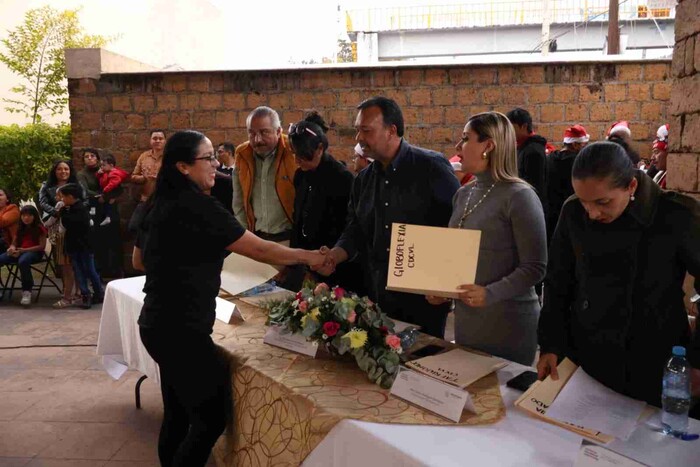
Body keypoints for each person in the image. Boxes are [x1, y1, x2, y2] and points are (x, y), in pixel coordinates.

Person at [132, 130, 326, 467]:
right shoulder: (198, 207)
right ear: (182, 167)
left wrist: (185, 259)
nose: (217, 165)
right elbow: (259, 248)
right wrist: (310, 258)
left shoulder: (159, 202)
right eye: (207, 159)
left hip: (155, 324)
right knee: (209, 418)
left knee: (178, 414)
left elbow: (139, 261)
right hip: (182, 331)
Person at [537, 141, 700, 406]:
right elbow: (557, 283)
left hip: (653, 358)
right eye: (584, 201)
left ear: (632, 186)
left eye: (603, 202)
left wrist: (697, 360)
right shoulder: (572, 212)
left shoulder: (675, 215)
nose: (592, 213)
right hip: (588, 352)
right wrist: (550, 343)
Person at [317, 96, 460, 338]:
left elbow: (455, 228)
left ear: (392, 130)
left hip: (424, 300)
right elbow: (355, 230)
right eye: (357, 130)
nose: (359, 138)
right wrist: (334, 255)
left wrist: (445, 285)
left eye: (366, 130)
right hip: (377, 296)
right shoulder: (363, 180)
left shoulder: (431, 168)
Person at [426, 112, 547, 365]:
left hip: (509, 323)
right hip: (469, 322)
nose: (458, 147)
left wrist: (489, 293)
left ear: (488, 146)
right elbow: (457, 257)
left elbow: (535, 267)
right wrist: (443, 289)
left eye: (465, 138)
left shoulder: (520, 196)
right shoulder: (463, 194)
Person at [285, 111, 357, 292]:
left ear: (319, 149)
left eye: (302, 156)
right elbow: (299, 219)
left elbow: (348, 228)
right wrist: (294, 262)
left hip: (333, 266)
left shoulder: (343, 179)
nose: (296, 160)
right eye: (294, 154)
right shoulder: (301, 175)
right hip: (305, 264)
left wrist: (326, 260)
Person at [232, 107, 296, 242]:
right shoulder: (242, 154)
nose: (257, 139)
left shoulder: (293, 151)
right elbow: (238, 203)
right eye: (251, 133)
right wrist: (246, 238)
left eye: (264, 132)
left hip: (290, 238)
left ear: (278, 131)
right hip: (257, 239)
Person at [39, 160, 86, 308]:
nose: (63, 171)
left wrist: (70, 210)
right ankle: (67, 295)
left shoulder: (77, 186)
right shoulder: (46, 186)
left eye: (66, 169)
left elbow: (84, 202)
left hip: (76, 228)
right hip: (58, 229)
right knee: (65, 264)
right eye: (59, 169)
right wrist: (57, 212)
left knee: (78, 262)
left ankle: (80, 294)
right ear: (54, 171)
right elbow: (42, 202)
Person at [56, 183, 104, 309]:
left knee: (88, 270)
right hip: (74, 246)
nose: (62, 200)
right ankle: (86, 294)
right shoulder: (69, 209)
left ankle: (97, 293)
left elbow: (70, 224)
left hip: (84, 246)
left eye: (64, 197)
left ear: (71, 197)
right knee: (80, 271)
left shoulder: (80, 210)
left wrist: (63, 213)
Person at [546, 124, 590, 241]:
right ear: (575, 145)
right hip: (571, 214)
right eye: (583, 145)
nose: (584, 148)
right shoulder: (578, 163)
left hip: (550, 212)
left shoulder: (549, 158)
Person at [0, 205, 47, 306]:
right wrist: (12, 248)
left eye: (29, 215)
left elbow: (41, 246)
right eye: (24, 215)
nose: (26, 218)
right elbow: (14, 242)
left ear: (34, 216)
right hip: (20, 251)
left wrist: (24, 251)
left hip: (34, 252)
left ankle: (27, 290)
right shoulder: (20, 228)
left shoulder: (40, 228)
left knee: (23, 261)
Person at [506, 108, 548, 212]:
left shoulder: (533, 151)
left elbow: (534, 186)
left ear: (524, 126)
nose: (509, 132)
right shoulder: (520, 147)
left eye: (512, 128)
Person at [129, 129, 166, 232]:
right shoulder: (144, 156)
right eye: (155, 138)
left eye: (160, 138)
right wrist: (144, 178)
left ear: (164, 141)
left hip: (163, 201)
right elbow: (133, 176)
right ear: (150, 141)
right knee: (134, 226)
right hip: (145, 200)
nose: (157, 141)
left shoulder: (169, 157)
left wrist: (160, 178)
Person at [97, 154, 129, 226]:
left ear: (111, 165)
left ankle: (107, 217)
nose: (102, 167)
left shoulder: (113, 173)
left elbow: (113, 184)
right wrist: (99, 174)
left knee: (105, 202)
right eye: (101, 165)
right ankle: (107, 217)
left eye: (104, 165)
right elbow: (101, 179)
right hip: (109, 190)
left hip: (112, 190)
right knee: (107, 203)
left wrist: (105, 191)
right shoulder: (106, 172)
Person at [210, 142, 235, 214]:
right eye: (217, 152)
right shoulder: (216, 169)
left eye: (220, 152)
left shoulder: (240, 169)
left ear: (229, 153)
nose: (218, 154)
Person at [0, 188, 19, 254]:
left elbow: (2, 223)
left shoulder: (13, 209)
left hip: (10, 244)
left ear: (7, 199)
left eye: (0, 195)